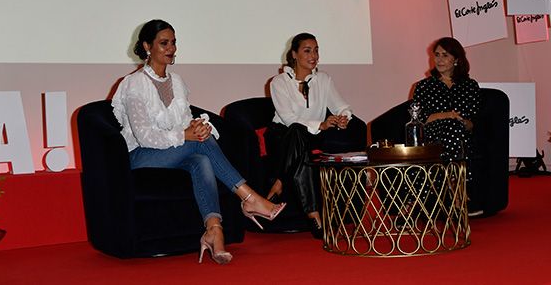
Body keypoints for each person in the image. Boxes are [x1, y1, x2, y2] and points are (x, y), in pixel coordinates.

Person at [111, 19, 285, 265]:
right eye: (163, 43)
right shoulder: (134, 84)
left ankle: (214, 231)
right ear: (147, 46)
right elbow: (144, 136)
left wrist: (196, 128)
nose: (171, 48)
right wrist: (186, 135)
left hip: (174, 152)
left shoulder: (178, 82)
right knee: (198, 144)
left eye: (173, 42)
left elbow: (183, 122)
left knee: (201, 159)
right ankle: (249, 198)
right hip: (140, 155)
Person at [264, 33, 367, 238]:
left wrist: (343, 117)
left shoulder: (323, 79)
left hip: (312, 135)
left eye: (316, 50)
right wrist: (321, 123)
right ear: (294, 54)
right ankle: (313, 214)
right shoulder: (278, 82)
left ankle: (279, 182)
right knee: (297, 133)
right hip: (283, 136)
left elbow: (342, 106)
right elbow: (288, 119)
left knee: (304, 140)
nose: (314, 55)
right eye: (307, 50)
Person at [412, 37, 480, 169]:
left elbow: (474, 121)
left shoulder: (470, 86)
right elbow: (419, 120)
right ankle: (455, 179)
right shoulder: (424, 86)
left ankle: (450, 178)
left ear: (456, 59)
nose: (439, 59)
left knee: (456, 129)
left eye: (445, 55)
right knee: (452, 128)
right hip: (432, 135)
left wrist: (463, 122)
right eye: (436, 55)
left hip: (461, 134)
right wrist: (448, 115)